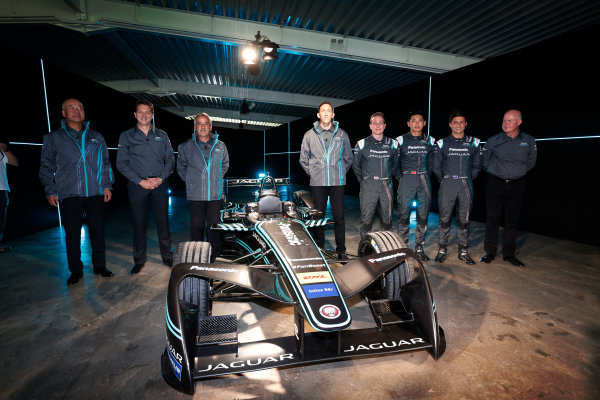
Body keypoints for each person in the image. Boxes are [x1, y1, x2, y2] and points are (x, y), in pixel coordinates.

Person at [39, 98, 114, 285]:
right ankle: (76, 271)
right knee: (72, 234)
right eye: (71, 108)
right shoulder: (53, 137)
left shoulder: (97, 136)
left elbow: (105, 163)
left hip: (95, 192)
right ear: (63, 113)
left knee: (98, 232)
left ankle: (99, 266)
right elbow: (46, 166)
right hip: (69, 193)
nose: (77, 110)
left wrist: (107, 185)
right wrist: (50, 190)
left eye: (80, 107)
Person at [117, 100, 175, 274]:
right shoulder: (126, 136)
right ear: (135, 114)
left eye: (147, 112)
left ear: (152, 115)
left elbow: (170, 159)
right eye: (140, 112)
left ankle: (167, 256)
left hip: (159, 184)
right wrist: (140, 181)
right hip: (137, 185)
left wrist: (160, 178)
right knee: (139, 223)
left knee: (163, 222)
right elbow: (121, 163)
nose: (144, 115)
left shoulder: (162, 135)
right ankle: (139, 260)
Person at [480, 109, 537, 267]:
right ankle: (489, 252)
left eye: (510, 121)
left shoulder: (529, 141)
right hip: (495, 184)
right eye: (504, 120)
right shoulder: (493, 140)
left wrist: (517, 173)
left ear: (519, 122)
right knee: (492, 219)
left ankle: (509, 254)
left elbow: (531, 161)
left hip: (517, 185)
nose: (506, 124)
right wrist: (497, 172)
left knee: (512, 221)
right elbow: (485, 160)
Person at [299, 101, 353, 258]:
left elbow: (348, 158)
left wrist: (340, 172)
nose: (326, 113)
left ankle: (341, 251)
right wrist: (315, 173)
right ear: (318, 115)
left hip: (337, 182)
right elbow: (303, 159)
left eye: (329, 110)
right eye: (323, 110)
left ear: (333, 114)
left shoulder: (342, 134)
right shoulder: (309, 134)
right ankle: (320, 249)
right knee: (318, 217)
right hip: (318, 183)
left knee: (339, 217)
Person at [177, 113, 229, 261]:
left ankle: (215, 255)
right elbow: (181, 167)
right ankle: (196, 256)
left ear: (210, 127)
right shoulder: (186, 146)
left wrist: (216, 178)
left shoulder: (221, 145)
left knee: (214, 227)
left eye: (206, 123)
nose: (203, 126)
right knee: (196, 227)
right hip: (195, 195)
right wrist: (191, 182)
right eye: (199, 123)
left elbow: (225, 165)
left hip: (214, 194)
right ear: (195, 127)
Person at [432, 111, 482, 264]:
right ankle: (442, 248)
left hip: (466, 184)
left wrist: (466, 179)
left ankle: (463, 250)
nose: (458, 125)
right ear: (450, 124)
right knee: (444, 218)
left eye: (461, 122)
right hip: (448, 184)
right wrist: (446, 180)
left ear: (466, 124)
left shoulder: (474, 142)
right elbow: (436, 167)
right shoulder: (442, 143)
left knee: (464, 219)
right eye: (455, 122)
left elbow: (477, 166)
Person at [395, 110, 436, 260]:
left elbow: (432, 162)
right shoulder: (400, 140)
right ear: (408, 123)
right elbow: (394, 163)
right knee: (403, 214)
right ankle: (403, 247)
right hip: (407, 179)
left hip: (424, 179)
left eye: (420, 120)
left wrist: (425, 175)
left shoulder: (430, 140)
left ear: (424, 123)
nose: (417, 123)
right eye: (414, 120)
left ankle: (419, 247)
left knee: (423, 215)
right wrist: (402, 178)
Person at [352, 112, 398, 238]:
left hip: (386, 185)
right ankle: (365, 248)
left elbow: (395, 165)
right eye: (375, 123)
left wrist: (387, 176)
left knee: (387, 220)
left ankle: (387, 247)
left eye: (380, 123)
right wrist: (363, 181)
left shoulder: (393, 144)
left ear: (385, 126)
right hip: (369, 185)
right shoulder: (361, 144)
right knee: (366, 220)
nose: (377, 125)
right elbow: (356, 166)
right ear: (370, 126)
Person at [0, 141, 18, 253]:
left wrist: (5, 149)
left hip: (2, 189)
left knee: (1, 219)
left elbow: (15, 162)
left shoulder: (1, 151)